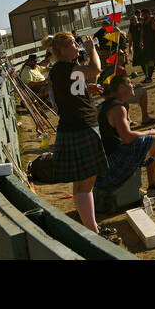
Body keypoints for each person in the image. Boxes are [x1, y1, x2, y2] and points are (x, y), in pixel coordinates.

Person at [48, 30, 110, 238]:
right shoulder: (66, 67)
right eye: (74, 44)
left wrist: (86, 88)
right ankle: (93, 231)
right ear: (63, 49)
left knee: (80, 183)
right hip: (82, 126)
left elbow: (73, 90)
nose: (77, 46)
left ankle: (91, 227)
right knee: (86, 183)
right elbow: (96, 68)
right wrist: (92, 50)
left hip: (73, 126)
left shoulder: (60, 69)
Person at [97, 74, 155, 197]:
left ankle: (153, 186)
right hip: (114, 164)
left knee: (149, 141)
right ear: (121, 87)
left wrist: (149, 135)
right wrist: (150, 132)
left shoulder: (110, 104)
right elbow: (127, 137)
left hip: (108, 161)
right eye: (130, 83)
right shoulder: (117, 108)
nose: (133, 85)